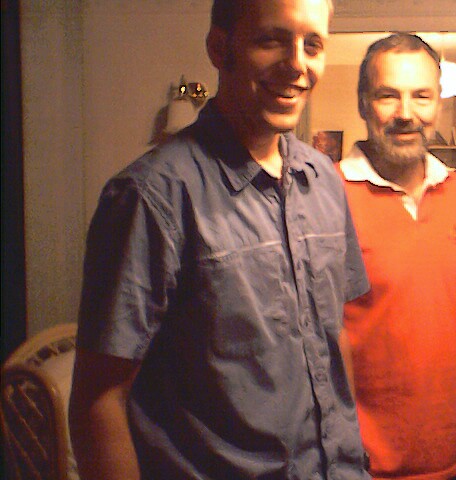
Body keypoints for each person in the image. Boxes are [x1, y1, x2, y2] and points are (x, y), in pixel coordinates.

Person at [68, 1, 372, 479]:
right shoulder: (150, 196)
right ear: (219, 47)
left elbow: (334, 337)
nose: (297, 64)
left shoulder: (324, 180)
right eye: (271, 40)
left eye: (313, 44)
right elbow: (98, 400)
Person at [337, 33, 456, 480]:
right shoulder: (325, 195)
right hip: (363, 466)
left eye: (421, 96)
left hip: (451, 457)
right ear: (363, 104)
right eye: (387, 95)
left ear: (438, 103)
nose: (406, 113)